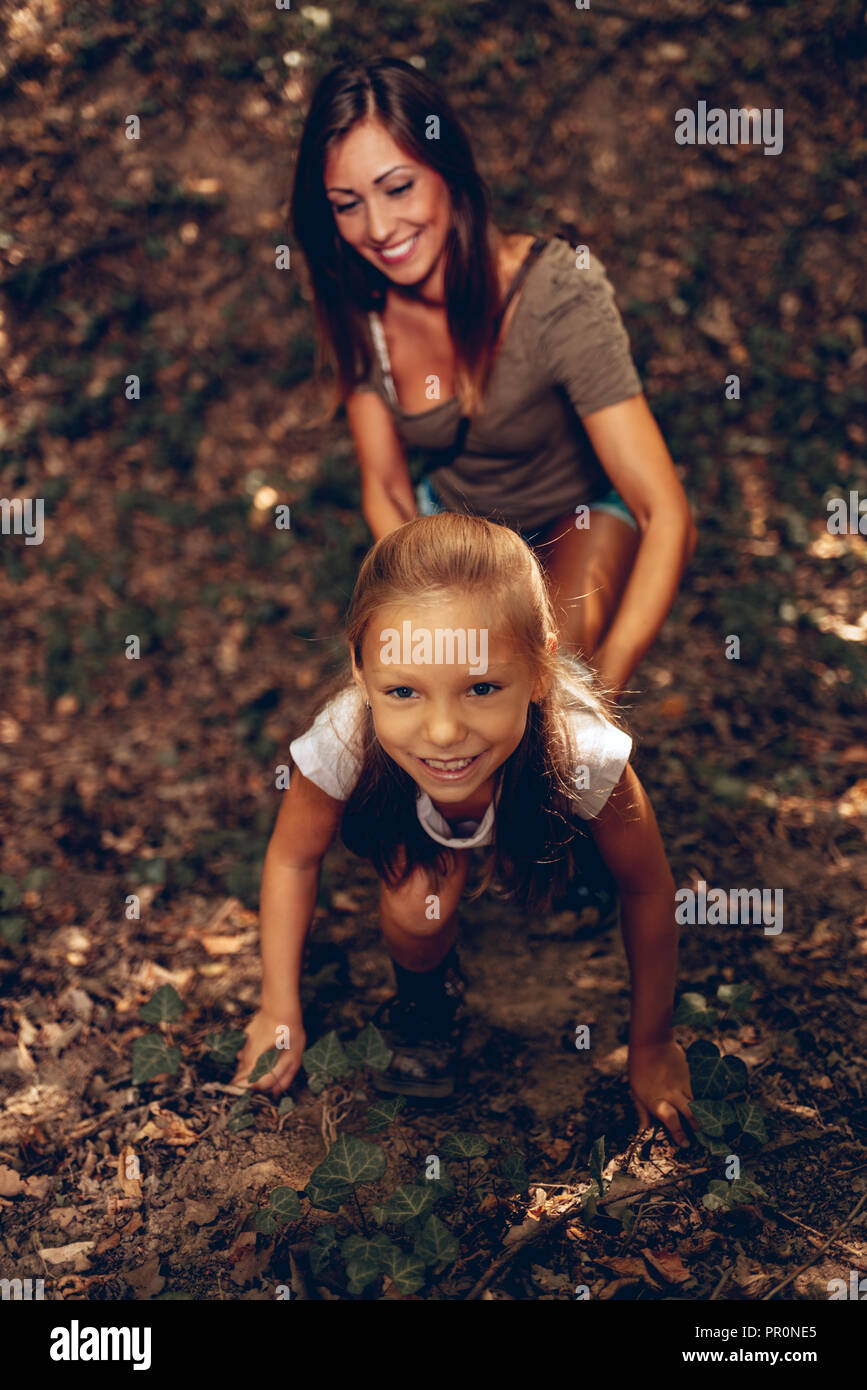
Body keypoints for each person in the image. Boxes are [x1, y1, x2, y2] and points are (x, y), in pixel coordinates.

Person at [234, 515, 700, 1150]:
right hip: (424, 831)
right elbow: (291, 859)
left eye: (481, 687)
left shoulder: (584, 752)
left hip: (537, 792)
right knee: (417, 907)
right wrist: (278, 1006)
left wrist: (651, 1042)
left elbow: (648, 889)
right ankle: (425, 1006)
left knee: (586, 835)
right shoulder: (345, 734)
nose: (445, 731)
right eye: (403, 690)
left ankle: (572, 853)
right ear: (361, 673)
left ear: (539, 671)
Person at [290, 56, 697, 702]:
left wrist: (597, 704)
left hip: (577, 516)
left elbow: (664, 511)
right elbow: (386, 486)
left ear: (447, 172)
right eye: (346, 205)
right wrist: (429, 603)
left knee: (541, 697)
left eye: (398, 188)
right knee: (416, 706)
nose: (377, 229)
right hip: (451, 527)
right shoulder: (357, 298)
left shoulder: (554, 294)